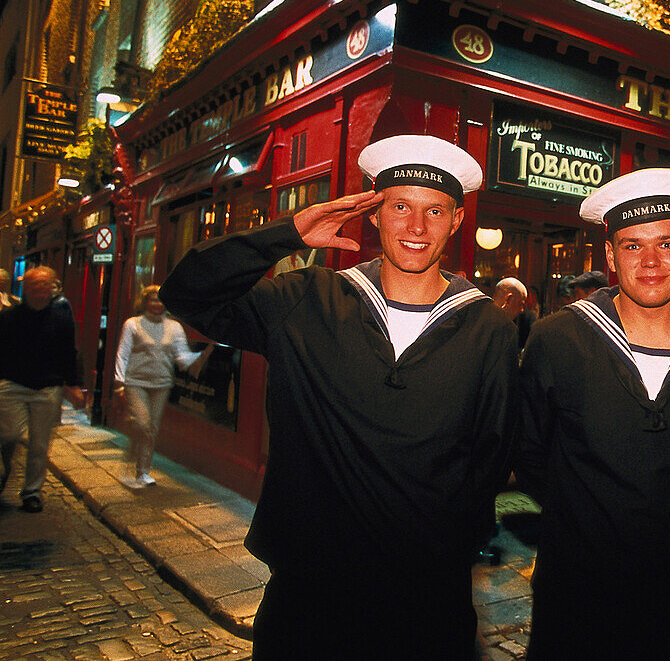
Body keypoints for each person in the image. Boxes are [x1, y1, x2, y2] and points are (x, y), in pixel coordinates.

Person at [159, 134, 518, 659]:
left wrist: (450, 545)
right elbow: (188, 292)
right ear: (372, 214)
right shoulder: (306, 298)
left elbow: (493, 452)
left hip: (428, 599)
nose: (416, 228)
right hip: (308, 595)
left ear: (457, 221)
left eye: (435, 211)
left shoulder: (488, 326)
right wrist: (288, 234)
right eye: (399, 207)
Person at [517, 168, 670, 659]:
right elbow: (530, 460)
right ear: (609, 255)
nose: (651, 261)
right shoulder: (557, 339)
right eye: (632, 246)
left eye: (667, 244)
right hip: (578, 599)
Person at [0, 266, 85, 512]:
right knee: (10, 433)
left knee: (39, 444)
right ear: (26, 288)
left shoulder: (61, 318)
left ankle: (31, 493)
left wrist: (73, 385)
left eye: (46, 285)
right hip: (12, 384)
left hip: (47, 388)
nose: (41, 289)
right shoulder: (9, 317)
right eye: (36, 285)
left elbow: (68, 353)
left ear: (52, 288)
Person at [113, 285, 212, 488]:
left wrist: (200, 357)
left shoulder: (174, 327)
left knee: (152, 428)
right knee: (142, 424)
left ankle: (142, 472)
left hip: (161, 383)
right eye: (153, 299)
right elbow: (122, 354)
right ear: (145, 302)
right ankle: (133, 453)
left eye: (160, 300)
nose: (157, 303)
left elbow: (181, 356)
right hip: (136, 382)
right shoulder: (132, 324)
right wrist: (119, 383)